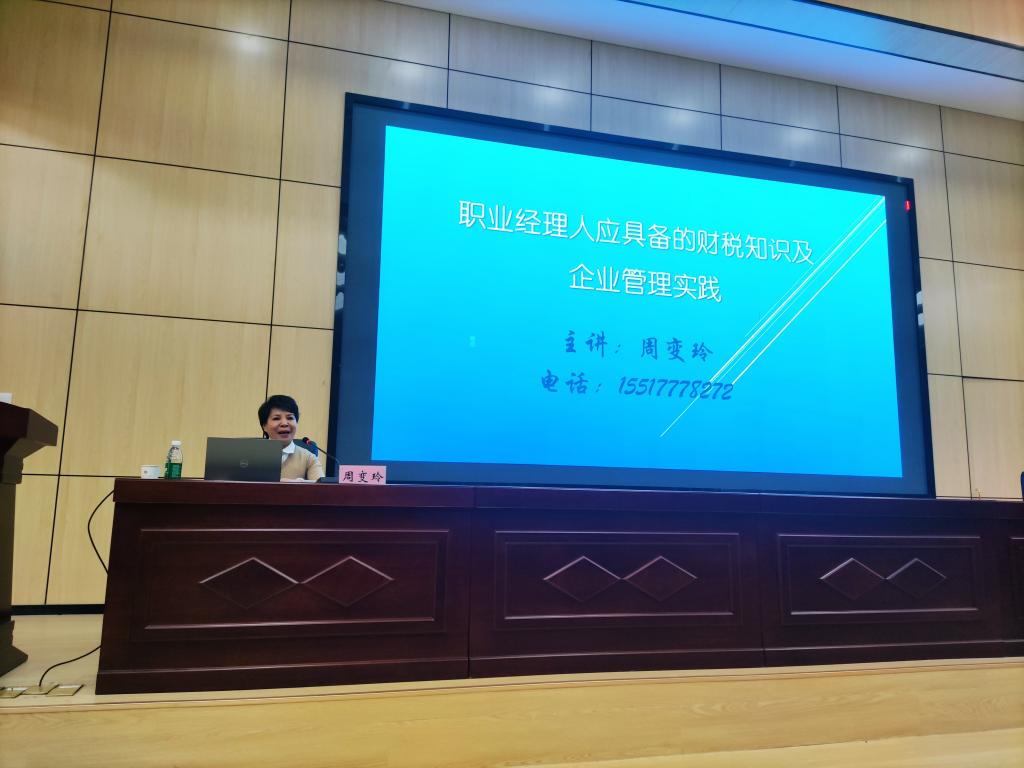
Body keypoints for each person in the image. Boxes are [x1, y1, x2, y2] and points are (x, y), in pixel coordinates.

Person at [258, 394, 324, 482]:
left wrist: (296, 483)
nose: (284, 423)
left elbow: (321, 487)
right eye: (276, 418)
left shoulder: (309, 458)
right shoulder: (252, 455)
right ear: (264, 426)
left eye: (290, 418)